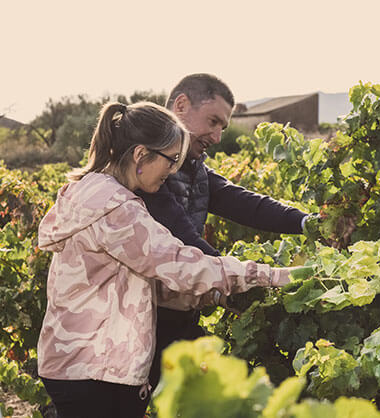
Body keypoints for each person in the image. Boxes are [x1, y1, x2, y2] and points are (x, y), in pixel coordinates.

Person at [37, 101, 295, 418]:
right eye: (171, 160)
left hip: (83, 363)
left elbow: (134, 281)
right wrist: (275, 276)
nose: (173, 171)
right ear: (140, 154)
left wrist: (209, 295)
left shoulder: (97, 194)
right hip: (92, 370)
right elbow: (178, 262)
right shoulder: (116, 208)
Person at [135, 74, 311, 391]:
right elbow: (183, 237)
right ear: (181, 105)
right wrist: (239, 280)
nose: (217, 137)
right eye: (213, 121)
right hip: (140, 321)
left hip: (178, 312)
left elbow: (244, 203)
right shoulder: (143, 172)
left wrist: (306, 223)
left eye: (223, 128)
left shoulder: (194, 169)